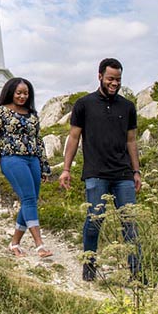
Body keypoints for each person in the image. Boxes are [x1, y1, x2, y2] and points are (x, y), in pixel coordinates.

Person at [57, 58, 142, 281]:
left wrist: (136, 171)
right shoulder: (84, 104)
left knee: (130, 223)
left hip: (123, 174)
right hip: (95, 173)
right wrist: (66, 169)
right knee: (94, 221)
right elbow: (74, 137)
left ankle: (137, 272)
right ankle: (89, 265)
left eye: (118, 79)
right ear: (100, 77)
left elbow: (131, 141)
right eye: (111, 79)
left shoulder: (127, 106)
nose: (115, 83)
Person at [0, 77, 53, 257]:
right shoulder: (1, 112)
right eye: (19, 93)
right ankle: (39, 245)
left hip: (32, 160)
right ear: (11, 92)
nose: (22, 96)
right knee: (29, 199)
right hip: (12, 159)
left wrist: (44, 166)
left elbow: (38, 141)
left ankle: (14, 243)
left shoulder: (32, 114)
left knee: (31, 200)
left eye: (26, 93)